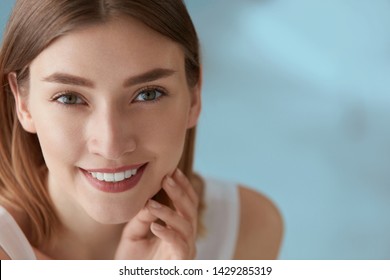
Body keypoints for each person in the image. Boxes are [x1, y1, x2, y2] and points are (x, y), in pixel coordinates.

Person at [0, 0, 283, 260]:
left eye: (148, 94)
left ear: (194, 97)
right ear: (22, 103)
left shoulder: (247, 226)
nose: (111, 145)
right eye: (69, 98)